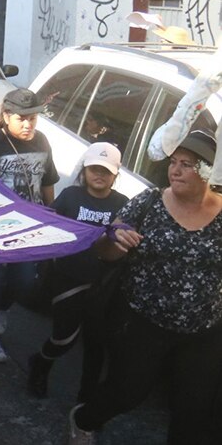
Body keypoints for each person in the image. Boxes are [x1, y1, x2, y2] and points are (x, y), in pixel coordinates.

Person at [68, 130, 221, 445]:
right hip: (143, 322)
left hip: (203, 330)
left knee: (193, 410)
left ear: (208, 171)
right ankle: (84, 419)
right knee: (127, 392)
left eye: (187, 164)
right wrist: (114, 238)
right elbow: (104, 252)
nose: (174, 170)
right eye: (173, 162)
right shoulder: (150, 201)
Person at [27, 142, 128, 400]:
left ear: (115, 174)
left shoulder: (124, 204)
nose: (99, 175)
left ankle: (86, 400)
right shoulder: (71, 196)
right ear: (85, 169)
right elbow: (48, 227)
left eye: (106, 171)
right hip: (67, 281)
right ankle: (40, 363)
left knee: (96, 345)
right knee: (64, 338)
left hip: (103, 286)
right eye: (95, 168)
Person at [0, 88, 58, 363]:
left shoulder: (42, 141)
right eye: (21, 118)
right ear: (6, 116)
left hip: (28, 225)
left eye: (33, 118)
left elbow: (48, 181)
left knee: (25, 280)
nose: (28, 124)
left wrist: (50, 215)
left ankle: (1, 308)